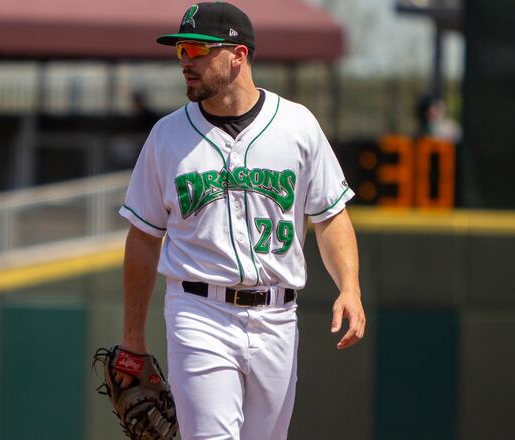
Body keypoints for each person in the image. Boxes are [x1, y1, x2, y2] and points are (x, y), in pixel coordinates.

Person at [114, 3, 366, 439]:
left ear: (239, 55)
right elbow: (142, 238)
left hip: (278, 316)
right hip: (199, 312)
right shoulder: (167, 136)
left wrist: (350, 286)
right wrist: (133, 338)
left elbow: (330, 217)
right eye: (181, 52)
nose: (186, 62)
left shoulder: (297, 126)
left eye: (197, 50)